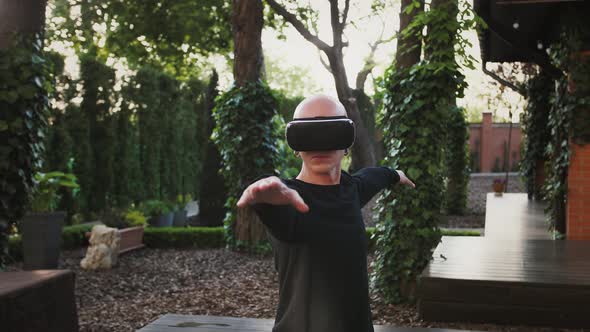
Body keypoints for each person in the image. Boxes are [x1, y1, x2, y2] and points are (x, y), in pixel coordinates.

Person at [237, 95, 415, 332]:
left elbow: (374, 176)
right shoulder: (286, 200)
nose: (320, 145)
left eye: (331, 132)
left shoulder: (352, 189)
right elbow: (273, 206)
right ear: (295, 146)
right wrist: (264, 199)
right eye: (308, 134)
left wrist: (394, 173)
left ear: (347, 143)